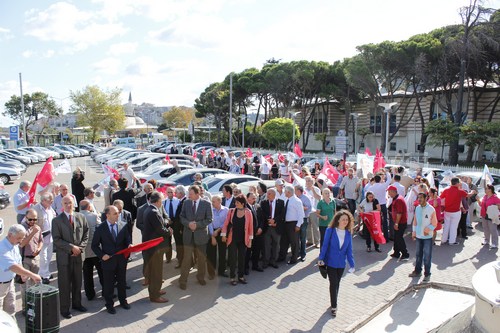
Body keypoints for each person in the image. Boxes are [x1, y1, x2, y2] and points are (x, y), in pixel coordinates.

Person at [52, 195, 89, 319]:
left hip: (78, 256)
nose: (68, 205)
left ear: (75, 204)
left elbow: (86, 234)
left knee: (78, 282)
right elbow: (56, 240)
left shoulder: (81, 217)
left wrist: (80, 248)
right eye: (66, 203)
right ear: (62, 205)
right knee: (64, 284)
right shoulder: (57, 220)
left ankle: (77, 304)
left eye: (70, 203)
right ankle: (64, 309)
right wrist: (71, 247)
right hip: (64, 258)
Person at [92, 205, 132, 314]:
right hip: (108, 261)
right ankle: (109, 304)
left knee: (122, 282)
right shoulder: (100, 228)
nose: (118, 214)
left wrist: (129, 245)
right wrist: (102, 255)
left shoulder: (123, 225)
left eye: (118, 212)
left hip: (121, 260)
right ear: (107, 215)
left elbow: (127, 240)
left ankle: (123, 301)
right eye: (115, 213)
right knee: (108, 284)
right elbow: (94, 246)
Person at [317, 210, 355, 317]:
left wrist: (352, 264)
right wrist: (321, 258)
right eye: (343, 219)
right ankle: (334, 306)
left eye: (347, 220)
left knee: (337, 283)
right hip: (331, 262)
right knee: (333, 283)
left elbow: (349, 250)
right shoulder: (330, 230)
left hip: (341, 264)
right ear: (338, 220)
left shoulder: (348, 233)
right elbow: (325, 245)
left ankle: (334, 300)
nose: (345, 221)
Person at [0, 225, 42, 317]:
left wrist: (22, 274)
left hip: (10, 284)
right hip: (1, 286)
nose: (20, 241)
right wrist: (32, 275)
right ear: (10, 234)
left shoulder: (14, 245)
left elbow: (18, 261)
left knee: (11, 312)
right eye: (18, 238)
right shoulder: (2, 248)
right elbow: (13, 266)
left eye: (22, 238)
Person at [179, 185, 213, 290]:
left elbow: (209, 219)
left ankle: (200, 277)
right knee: (186, 259)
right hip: (188, 235)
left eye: (191, 194)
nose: (189, 195)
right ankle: (183, 281)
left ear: (198, 194)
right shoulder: (186, 202)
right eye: (189, 193)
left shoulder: (206, 204)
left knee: (201, 259)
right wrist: (188, 224)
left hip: (201, 236)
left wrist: (197, 225)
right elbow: (181, 216)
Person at [143, 192, 172, 303]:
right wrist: (169, 232)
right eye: (162, 200)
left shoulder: (148, 209)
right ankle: (154, 295)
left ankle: (156, 290)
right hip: (155, 247)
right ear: (158, 201)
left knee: (156, 270)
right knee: (156, 271)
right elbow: (160, 229)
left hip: (152, 246)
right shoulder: (154, 212)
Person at [221, 194, 254, 285]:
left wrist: (250, 240)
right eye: (235, 202)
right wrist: (223, 235)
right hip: (233, 239)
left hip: (243, 239)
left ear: (243, 203)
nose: (235, 204)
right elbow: (226, 223)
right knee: (232, 258)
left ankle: (241, 276)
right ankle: (232, 277)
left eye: (237, 202)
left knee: (242, 258)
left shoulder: (248, 212)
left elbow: (250, 227)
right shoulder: (231, 211)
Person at [409, 192, 437, 282]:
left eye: (421, 198)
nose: (419, 199)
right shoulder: (417, 208)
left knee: (427, 256)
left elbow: (434, 223)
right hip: (418, 236)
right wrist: (414, 232)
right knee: (418, 255)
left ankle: (427, 274)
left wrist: (427, 230)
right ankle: (417, 271)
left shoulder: (431, 209)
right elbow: (415, 221)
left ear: (426, 198)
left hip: (427, 237)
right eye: (418, 198)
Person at [19, 209, 43, 312]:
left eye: (35, 219)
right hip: (25, 259)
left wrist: (39, 249)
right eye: (30, 219)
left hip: (35, 259)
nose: (33, 221)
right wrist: (33, 232)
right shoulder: (21, 228)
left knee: (34, 283)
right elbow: (21, 244)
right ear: (26, 217)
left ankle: (33, 304)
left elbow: (41, 241)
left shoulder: (37, 228)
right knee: (25, 285)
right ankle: (25, 307)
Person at [439, 177, 476, 245]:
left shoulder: (446, 190)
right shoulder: (460, 191)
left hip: (447, 211)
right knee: (454, 227)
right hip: (456, 212)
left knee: (446, 226)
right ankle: (451, 241)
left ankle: (444, 240)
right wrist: (472, 192)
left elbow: (440, 197)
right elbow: (468, 195)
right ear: (456, 183)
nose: (460, 183)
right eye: (459, 182)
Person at [80, 200, 103, 301]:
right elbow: (100, 229)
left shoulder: (76, 216)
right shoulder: (93, 216)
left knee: (87, 274)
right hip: (95, 249)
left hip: (84, 251)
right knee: (101, 272)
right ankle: (105, 291)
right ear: (89, 207)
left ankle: (89, 294)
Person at [32, 192, 56, 284]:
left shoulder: (50, 208)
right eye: (50, 201)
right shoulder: (36, 209)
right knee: (43, 257)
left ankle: (45, 272)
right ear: (43, 201)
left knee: (49, 256)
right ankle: (44, 275)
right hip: (41, 237)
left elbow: (54, 217)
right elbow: (31, 223)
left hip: (50, 237)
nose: (52, 202)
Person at [278, 185, 305, 264]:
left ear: (289, 192)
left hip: (293, 224)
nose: (284, 193)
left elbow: (301, 214)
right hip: (286, 224)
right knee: (284, 241)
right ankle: (282, 257)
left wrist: (298, 225)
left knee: (294, 242)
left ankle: (294, 259)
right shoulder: (287, 200)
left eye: (285, 191)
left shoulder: (297, 201)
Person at [260, 188, 285, 269]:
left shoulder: (281, 202)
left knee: (276, 245)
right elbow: (262, 213)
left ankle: (273, 261)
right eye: (267, 193)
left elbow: (282, 214)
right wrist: (269, 220)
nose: (267, 195)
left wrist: (274, 221)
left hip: (276, 227)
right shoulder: (264, 203)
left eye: (269, 194)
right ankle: (266, 261)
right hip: (267, 227)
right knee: (266, 245)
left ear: (274, 195)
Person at [207, 195, 228, 278]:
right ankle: (211, 273)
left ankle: (222, 271)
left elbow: (226, 222)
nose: (212, 203)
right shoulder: (210, 210)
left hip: (222, 232)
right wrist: (212, 235)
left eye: (214, 201)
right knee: (211, 254)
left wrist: (218, 230)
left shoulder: (226, 210)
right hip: (212, 232)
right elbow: (209, 223)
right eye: (212, 201)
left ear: (219, 201)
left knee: (222, 252)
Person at [387, 185, 409, 260]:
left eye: (389, 192)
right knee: (396, 238)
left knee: (399, 238)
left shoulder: (398, 200)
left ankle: (405, 254)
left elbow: (399, 213)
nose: (388, 194)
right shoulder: (395, 198)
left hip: (400, 222)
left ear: (393, 192)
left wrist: (396, 223)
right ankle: (396, 252)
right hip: (398, 221)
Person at [479, 184, 500, 249]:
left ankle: (494, 243)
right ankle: (486, 240)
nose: (485, 190)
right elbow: (481, 205)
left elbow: (499, 206)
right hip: (484, 215)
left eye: (486, 188)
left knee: (493, 229)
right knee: (485, 228)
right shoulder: (485, 196)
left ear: (490, 189)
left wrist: (493, 209)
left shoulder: (495, 198)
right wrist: (477, 200)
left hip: (491, 216)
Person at [295, 185, 312, 261]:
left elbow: (308, 208)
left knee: (303, 237)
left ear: (299, 191)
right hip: (295, 219)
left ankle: (303, 254)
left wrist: (300, 207)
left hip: (304, 219)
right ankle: (296, 252)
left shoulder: (305, 198)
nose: (294, 191)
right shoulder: (295, 197)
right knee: (296, 237)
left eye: (295, 190)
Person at [305, 175, 322, 248]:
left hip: (314, 210)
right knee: (308, 226)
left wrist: (313, 190)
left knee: (315, 226)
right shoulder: (304, 189)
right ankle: (310, 241)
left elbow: (319, 198)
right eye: (307, 181)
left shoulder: (316, 189)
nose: (308, 182)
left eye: (309, 181)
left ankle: (317, 242)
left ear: (312, 181)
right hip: (306, 211)